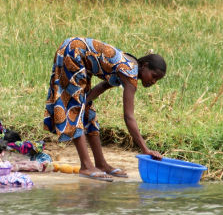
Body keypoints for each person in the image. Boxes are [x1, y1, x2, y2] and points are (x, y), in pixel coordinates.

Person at [42, 36, 166, 180]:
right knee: (74, 110)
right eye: (154, 76)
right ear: (144, 66)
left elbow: (103, 85)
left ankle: (101, 164)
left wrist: (86, 102)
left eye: (157, 80)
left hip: (76, 53)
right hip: (73, 52)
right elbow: (128, 117)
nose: (153, 81)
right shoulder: (130, 74)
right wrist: (145, 149)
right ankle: (86, 166)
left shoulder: (128, 68)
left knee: (89, 114)